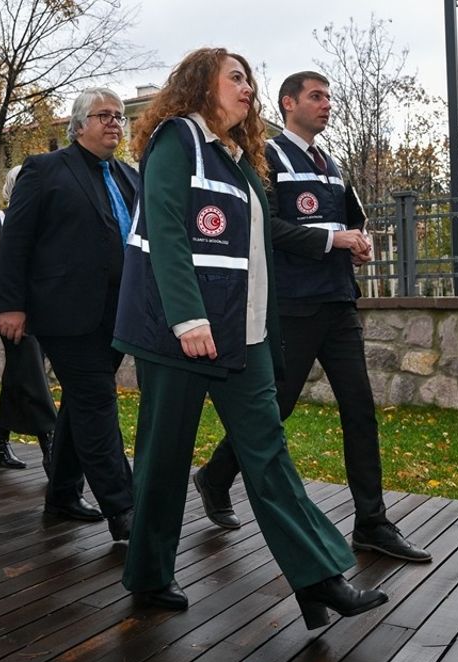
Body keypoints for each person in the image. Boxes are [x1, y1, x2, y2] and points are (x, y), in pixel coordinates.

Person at [113, 48, 387, 630]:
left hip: (245, 336)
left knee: (269, 457)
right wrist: (189, 319)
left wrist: (265, 332)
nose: (248, 88)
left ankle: (319, 579)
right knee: (163, 459)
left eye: (250, 80)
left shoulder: (240, 160)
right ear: (199, 85)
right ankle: (150, 573)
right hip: (178, 335)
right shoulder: (175, 139)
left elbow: (255, 258)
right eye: (236, 77)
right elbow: (164, 229)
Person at [194, 71, 431, 563]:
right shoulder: (268, 158)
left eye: (328, 97)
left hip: (339, 303)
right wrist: (331, 240)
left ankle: (371, 522)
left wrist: (358, 241)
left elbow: (351, 219)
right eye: (316, 97)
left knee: (360, 410)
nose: (326, 105)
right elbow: (268, 227)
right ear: (288, 104)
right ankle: (215, 478)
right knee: (275, 409)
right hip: (293, 307)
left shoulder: (334, 165)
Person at [0, 87, 139, 541]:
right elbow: (15, 240)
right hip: (65, 313)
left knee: (81, 404)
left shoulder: (129, 176)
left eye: (119, 116)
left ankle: (61, 493)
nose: (115, 123)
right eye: (104, 116)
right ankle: (125, 510)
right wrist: (11, 305)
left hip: (119, 314)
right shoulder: (44, 170)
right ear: (78, 124)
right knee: (97, 401)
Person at [0, 164, 57, 472]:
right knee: (31, 368)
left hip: (42, 312)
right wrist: (22, 274)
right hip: (9, 312)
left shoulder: (45, 224)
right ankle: (51, 444)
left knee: (18, 373)